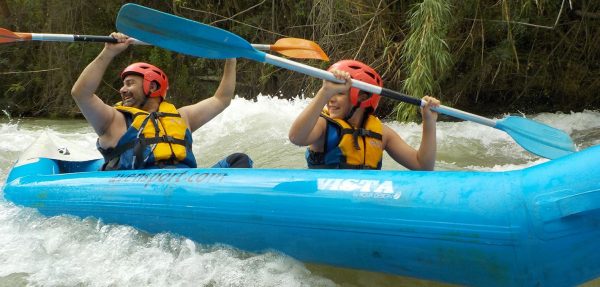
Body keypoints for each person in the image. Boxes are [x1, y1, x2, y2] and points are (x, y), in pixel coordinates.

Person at [71, 32, 252, 170]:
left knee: (239, 160)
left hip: (185, 182)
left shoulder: (182, 116)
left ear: (153, 86)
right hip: (137, 186)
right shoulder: (113, 120)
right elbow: (81, 94)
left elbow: (221, 99)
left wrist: (231, 59)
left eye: (130, 83)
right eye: (123, 85)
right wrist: (108, 53)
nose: (122, 90)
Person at [288, 60, 440, 170]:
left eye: (339, 93)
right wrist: (324, 92)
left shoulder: (382, 132)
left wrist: (429, 121)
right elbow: (296, 138)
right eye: (330, 93)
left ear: (363, 97)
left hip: (361, 204)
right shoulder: (324, 125)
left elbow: (422, 166)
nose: (331, 99)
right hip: (327, 202)